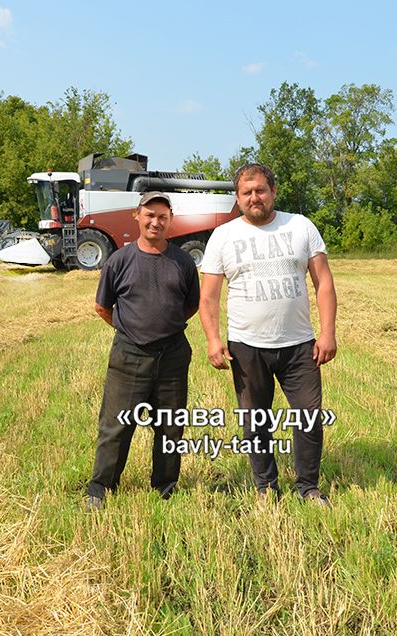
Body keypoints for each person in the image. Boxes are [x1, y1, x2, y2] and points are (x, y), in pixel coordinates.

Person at [199, 163, 337, 505]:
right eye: (246, 193)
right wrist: (213, 339)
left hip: (300, 345)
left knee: (308, 417)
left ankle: (308, 487)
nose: (254, 197)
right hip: (247, 347)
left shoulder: (300, 226)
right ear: (238, 198)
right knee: (255, 422)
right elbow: (208, 296)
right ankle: (266, 487)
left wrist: (328, 332)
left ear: (273, 191)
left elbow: (324, 283)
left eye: (260, 190)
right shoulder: (224, 236)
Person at [85, 191, 199, 509]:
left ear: (170, 220)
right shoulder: (119, 260)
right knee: (116, 424)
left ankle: (165, 487)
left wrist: (164, 327)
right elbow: (101, 306)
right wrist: (132, 331)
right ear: (137, 216)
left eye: (162, 216)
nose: (155, 221)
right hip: (129, 355)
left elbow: (191, 305)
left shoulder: (184, 261)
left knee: (170, 426)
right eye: (150, 215)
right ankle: (100, 487)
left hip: (173, 355)